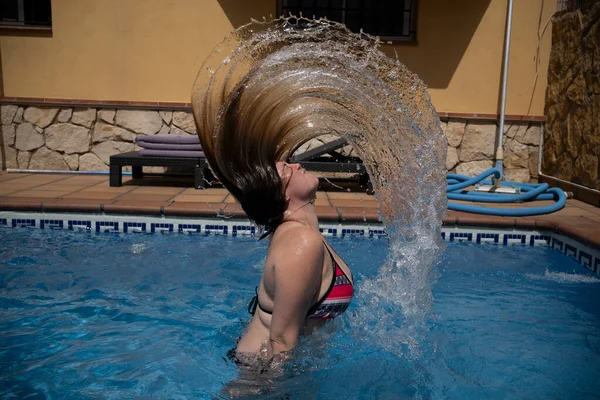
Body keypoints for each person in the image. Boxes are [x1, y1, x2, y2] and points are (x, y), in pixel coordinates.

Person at [231, 161, 354, 365]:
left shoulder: (301, 233)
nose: (297, 165)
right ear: (283, 196)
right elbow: (280, 343)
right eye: (288, 170)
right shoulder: (300, 242)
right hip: (260, 378)